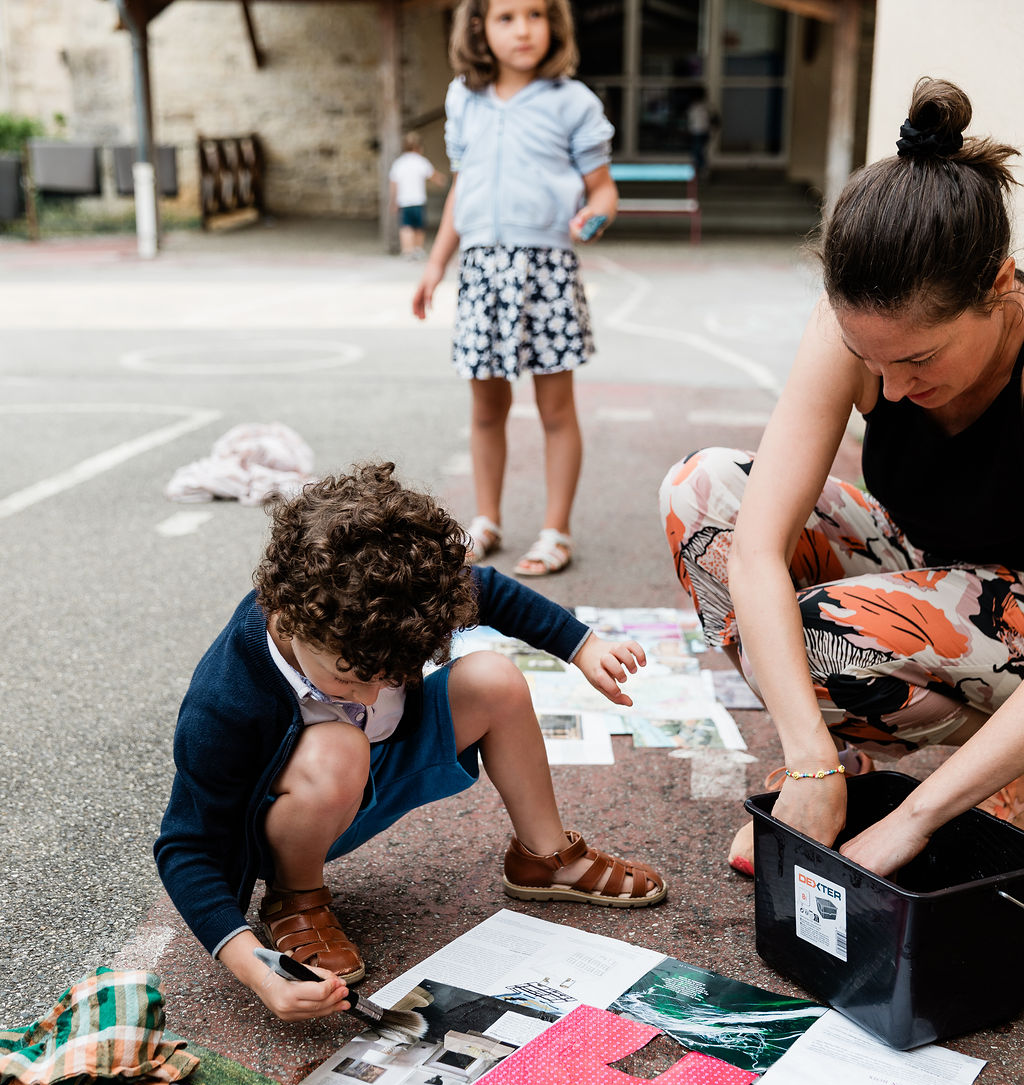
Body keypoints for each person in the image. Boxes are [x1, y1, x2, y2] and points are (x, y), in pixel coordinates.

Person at [658, 78, 1024, 879]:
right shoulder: (856, 323)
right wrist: (811, 764)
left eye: (918, 360)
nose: (889, 388)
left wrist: (915, 820)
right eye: (868, 359)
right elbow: (756, 549)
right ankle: (839, 763)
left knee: (831, 628)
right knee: (702, 492)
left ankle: (997, 774)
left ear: (1000, 287)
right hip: (930, 570)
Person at [155, 462, 666, 1024]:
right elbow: (186, 847)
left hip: (378, 771)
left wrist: (582, 646)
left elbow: (489, 589)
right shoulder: (223, 698)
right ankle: (296, 898)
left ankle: (545, 858)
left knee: (493, 677)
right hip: (299, 812)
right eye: (351, 679)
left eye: (395, 674)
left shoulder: (399, 601)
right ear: (293, 619)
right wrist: (256, 970)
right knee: (339, 746)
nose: (374, 695)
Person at [411, 0, 618, 578]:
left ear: (554, 23)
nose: (522, 29)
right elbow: (462, 188)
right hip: (481, 270)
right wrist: (435, 265)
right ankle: (486, 521)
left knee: (556, 409)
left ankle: (556, 531)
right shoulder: (463, 98)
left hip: (546, 268)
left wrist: (595, 216)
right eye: (506, 17)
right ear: (480, 26)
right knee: (486, 408)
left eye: (535, 14)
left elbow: (603, 189)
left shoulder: (573, 101)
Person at [388, 132, 445, 259]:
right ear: (418, 147)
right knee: (419, 226)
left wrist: (393, 201)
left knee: (406, 226)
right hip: (418, 200)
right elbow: (433, 175)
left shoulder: (399, 163)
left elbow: (393, 183)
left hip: (404, 200)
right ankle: (418, 249)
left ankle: (407, 251)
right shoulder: (421, 162)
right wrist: (441, 180)